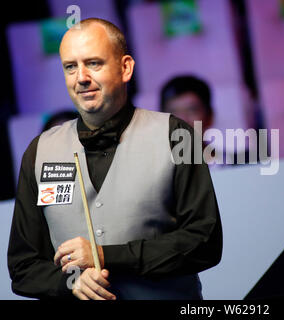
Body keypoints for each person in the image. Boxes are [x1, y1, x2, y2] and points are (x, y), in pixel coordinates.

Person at [8, 17, 222, 300]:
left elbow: (204, 242)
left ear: (125, 68)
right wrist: (70, 282)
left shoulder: (176, 135)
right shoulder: (40, 151)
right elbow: (24, 267)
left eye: (93, 63)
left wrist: (104, 256)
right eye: (70, 67)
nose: (81, 77)